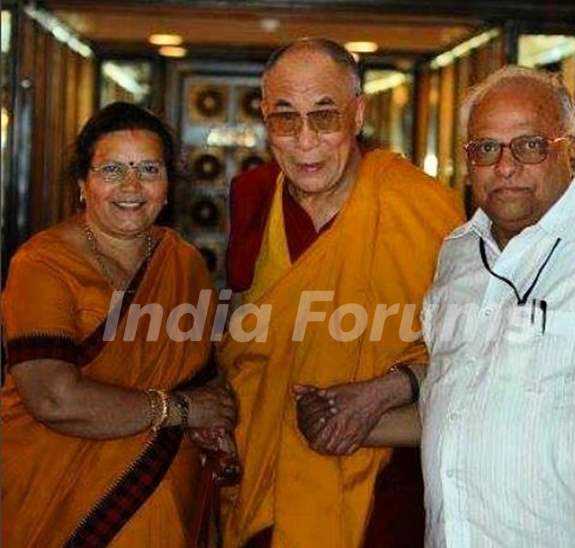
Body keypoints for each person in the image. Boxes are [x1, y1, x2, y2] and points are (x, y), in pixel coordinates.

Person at [220, 38, 464, 548]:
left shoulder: (422, 208)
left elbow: (473, 358)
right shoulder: (253, 197)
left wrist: (385, 390)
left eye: (324, 116)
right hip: (262, 481)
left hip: (383, 491)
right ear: (265, 118)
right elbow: (243, 351)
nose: (305, 140)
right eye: (285, 118)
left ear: (357, 114)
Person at [413, 66, 575, 546]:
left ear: (572, 150)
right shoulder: (456, 253)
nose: (505, 166)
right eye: (486, 148)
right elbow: (455, 400)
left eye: (530, 146)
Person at [1, 102, 237, 547]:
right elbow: (53, 398)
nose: (132, 185)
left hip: (165, 497)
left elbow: (201, 373)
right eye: (112, 170)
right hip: (58, 502)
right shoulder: (43, 264)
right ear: (82, 185)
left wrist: (212, 418)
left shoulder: (183, 260)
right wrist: (182, 409)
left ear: (167, 188)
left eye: (149, 169)